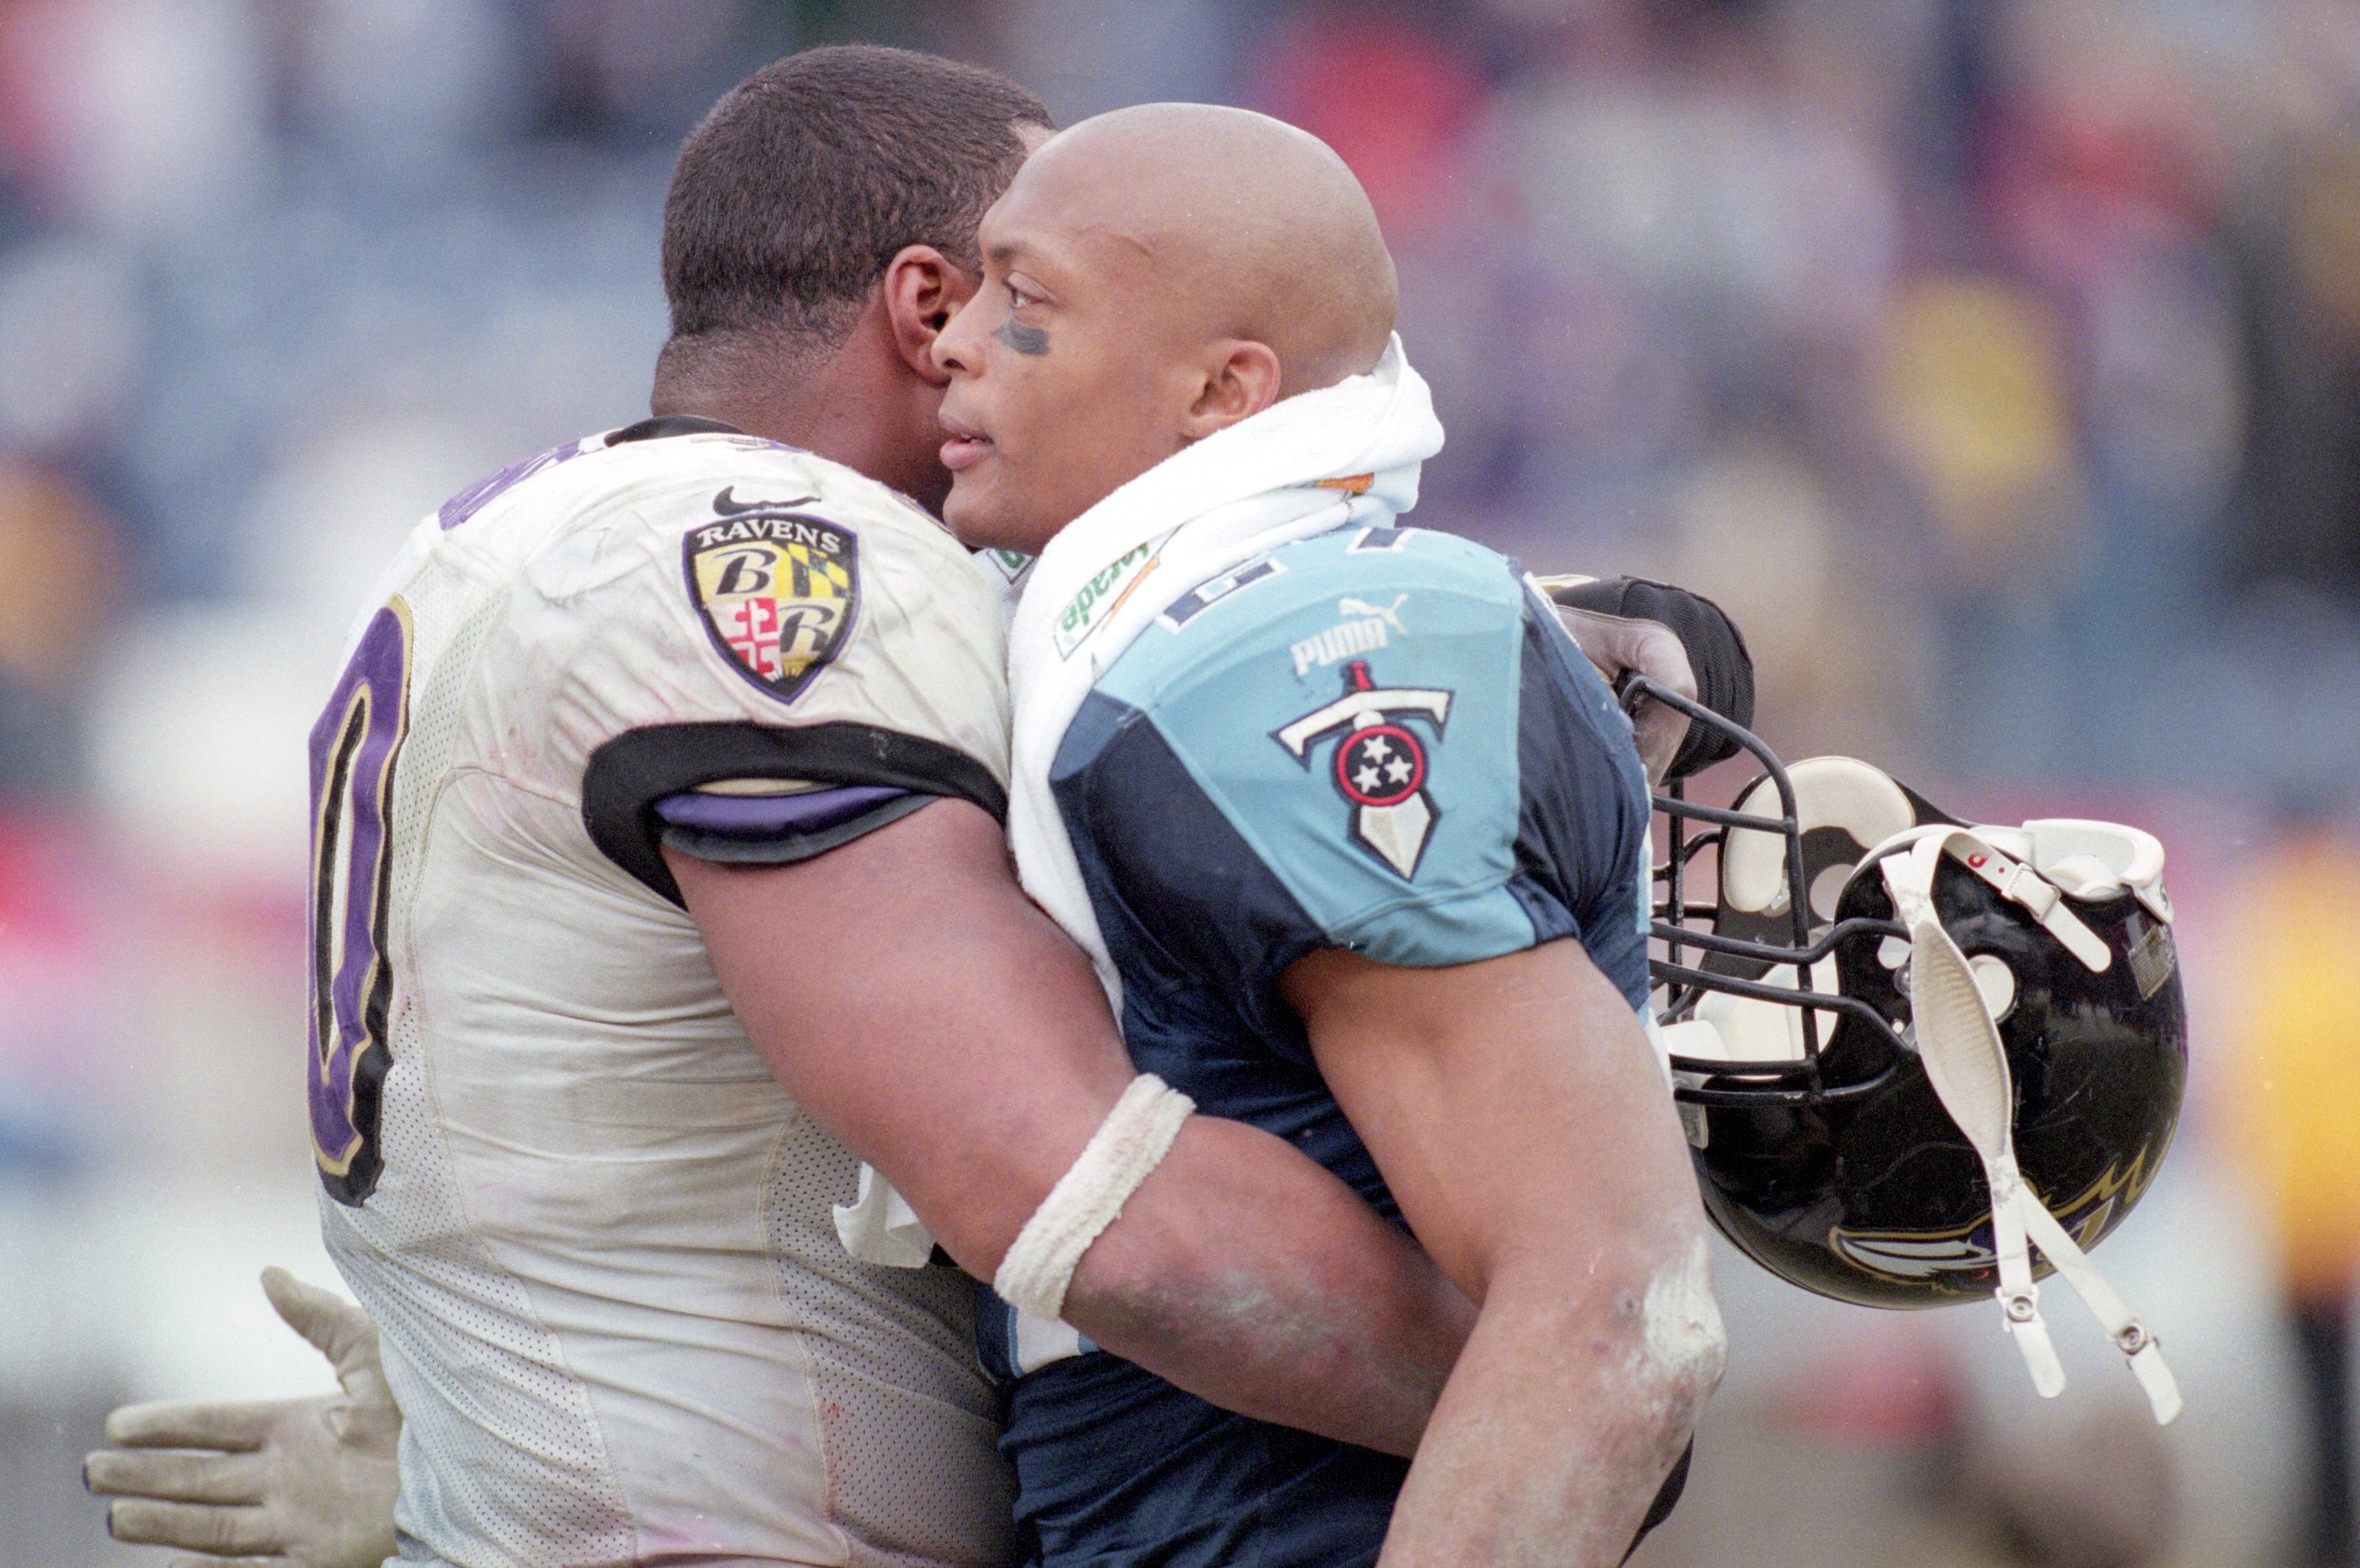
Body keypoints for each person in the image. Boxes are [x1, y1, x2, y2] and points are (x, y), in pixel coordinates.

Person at [82, 50, 1751, 1568]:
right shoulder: (776, 562)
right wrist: (1562, 1377)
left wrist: (456, 1464)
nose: (979, 347)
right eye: (1011, 286)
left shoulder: (519, 530)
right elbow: (1092, 1205)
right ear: (925, 307)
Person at [925, 104, 1720, 1567]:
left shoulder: (1289, 660)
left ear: (1223, 389)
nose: (956, 341)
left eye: (1022, 297)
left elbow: (1615, 1308)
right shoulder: (1202, 623)